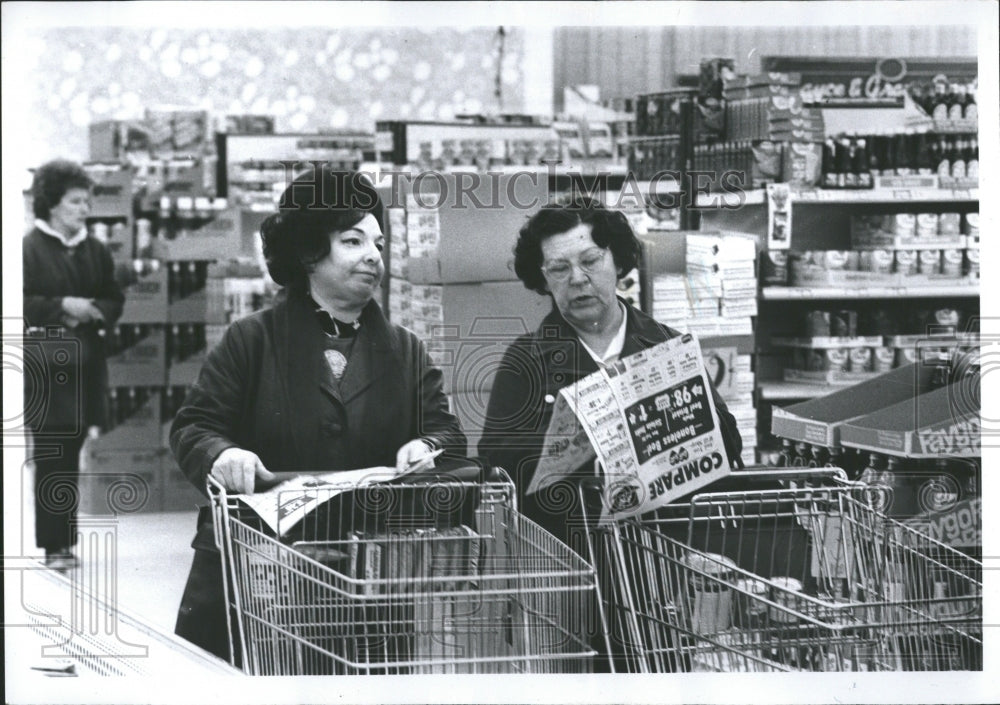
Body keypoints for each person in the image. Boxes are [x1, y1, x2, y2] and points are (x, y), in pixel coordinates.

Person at [170, 166, 466, 662]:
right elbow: (194, 426)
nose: (374, 255)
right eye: (353, 241)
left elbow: (447, 432)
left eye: (378, 241)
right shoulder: (252, 339)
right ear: (309, 252)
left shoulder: (405, 350)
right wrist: (222, 454)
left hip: (366, 581)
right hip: (259, 573)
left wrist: (429, 447)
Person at [478, 196, 742, 545]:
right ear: (543, 280)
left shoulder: (666, 346)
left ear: (618, 262)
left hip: (663, 555)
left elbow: (727, 439)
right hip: (569, 560)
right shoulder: (526, 360)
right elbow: (497, 463)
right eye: (559, 268)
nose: (577, 279)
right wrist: (585, 439)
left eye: (590, 260)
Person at [23, 159, 125, 570]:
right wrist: (63, 306)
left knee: (74, 449)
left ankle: (65, 540)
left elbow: (113, 299)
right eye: (75, 201)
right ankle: (55, 545)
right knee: (52, 455)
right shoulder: (26, 249)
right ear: (51, 204)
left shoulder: (95, 250)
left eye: (87, 201)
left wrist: (97, 310)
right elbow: (19, 303)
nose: (84, 209)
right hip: (45, 370)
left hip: (86, 369)